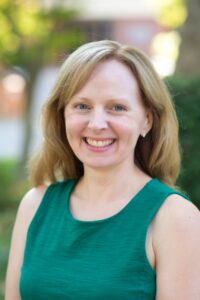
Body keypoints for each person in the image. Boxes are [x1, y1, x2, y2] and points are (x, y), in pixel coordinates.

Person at [5, 40, 200, 300]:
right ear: (63, 115)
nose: (97, 124)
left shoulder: (175, 219)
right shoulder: (34, 206)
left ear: (146, 120)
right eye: (82, 106)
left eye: (117, 107)